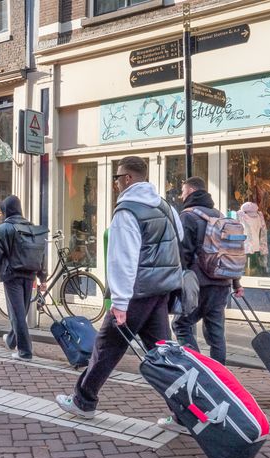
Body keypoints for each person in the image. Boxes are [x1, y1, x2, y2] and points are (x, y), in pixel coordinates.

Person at [55, 156, 183, 419]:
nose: (115, 184)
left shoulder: (127, 211)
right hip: (159, 293)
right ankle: (185, 414)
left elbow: (122, 260)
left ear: (127, 178)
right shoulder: (164, 206)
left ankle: (83, 401)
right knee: (162, 353)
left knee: (106, 347)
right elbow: (178, 238)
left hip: (135, 295)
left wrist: (121, 303)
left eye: (116, 178)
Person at [172, 176, 245, 365]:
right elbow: (231, 251)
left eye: (182, 191)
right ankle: (220, 373)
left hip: (198, 284)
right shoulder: (219, 215)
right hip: (222, 282)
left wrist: (178, 281)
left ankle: (197, 367)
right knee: (216, 332)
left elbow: (183, 253)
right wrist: (236, 282)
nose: (181, 196)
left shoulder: (188, 216)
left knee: (181, 325)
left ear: (190, 191)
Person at [0, 195, 47, 361]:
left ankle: (25, 352)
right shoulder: (31, 228)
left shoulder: (3, 229)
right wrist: (42, 277)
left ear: (5, 210)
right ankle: (11, 340)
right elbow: (41, 254)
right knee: (20, 312)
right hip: (30, 275)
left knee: (17, 314)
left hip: (12, 276)